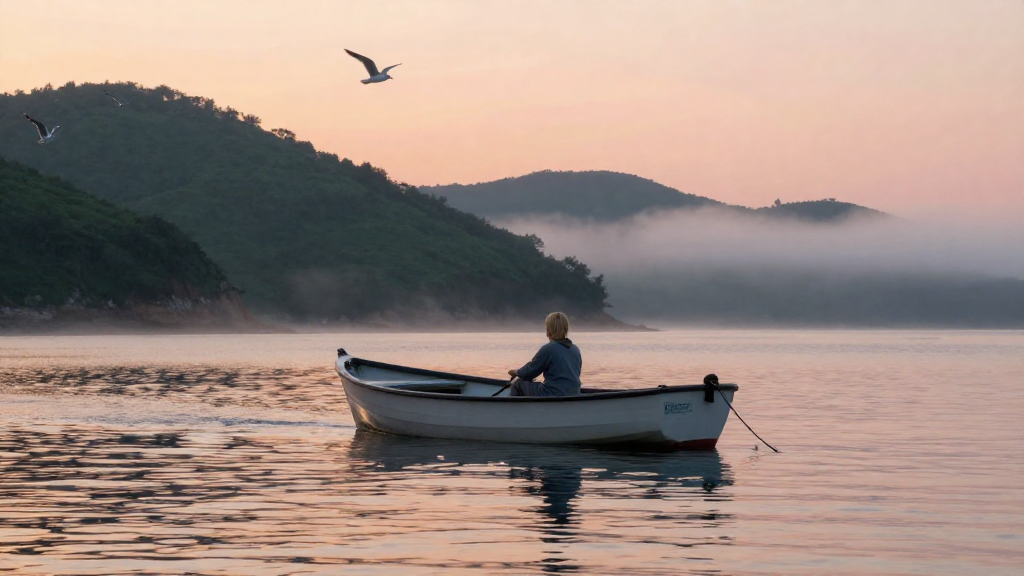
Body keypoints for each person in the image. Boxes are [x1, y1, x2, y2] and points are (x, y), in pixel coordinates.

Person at [506, 312, 582, 397]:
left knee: (518, 384)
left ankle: (510, 408)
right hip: (574, 393)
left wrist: (517, 373)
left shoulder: (549, 349)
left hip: (552, 393)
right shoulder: (575, 349)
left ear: (548, 330)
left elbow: (532, 369)